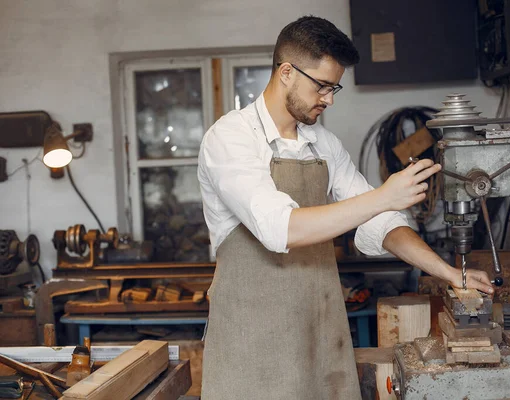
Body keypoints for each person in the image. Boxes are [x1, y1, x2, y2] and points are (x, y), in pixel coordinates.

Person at [197, 15, 494, 400]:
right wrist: (383, 196)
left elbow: (381, 221)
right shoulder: (230, 138)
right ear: (286, 72)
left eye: (333, 87)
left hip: (318, 333)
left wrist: (450, 273)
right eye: (321, 86)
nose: (329, 99)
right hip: (251, 341)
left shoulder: (322, 142)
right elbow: (280, 229)